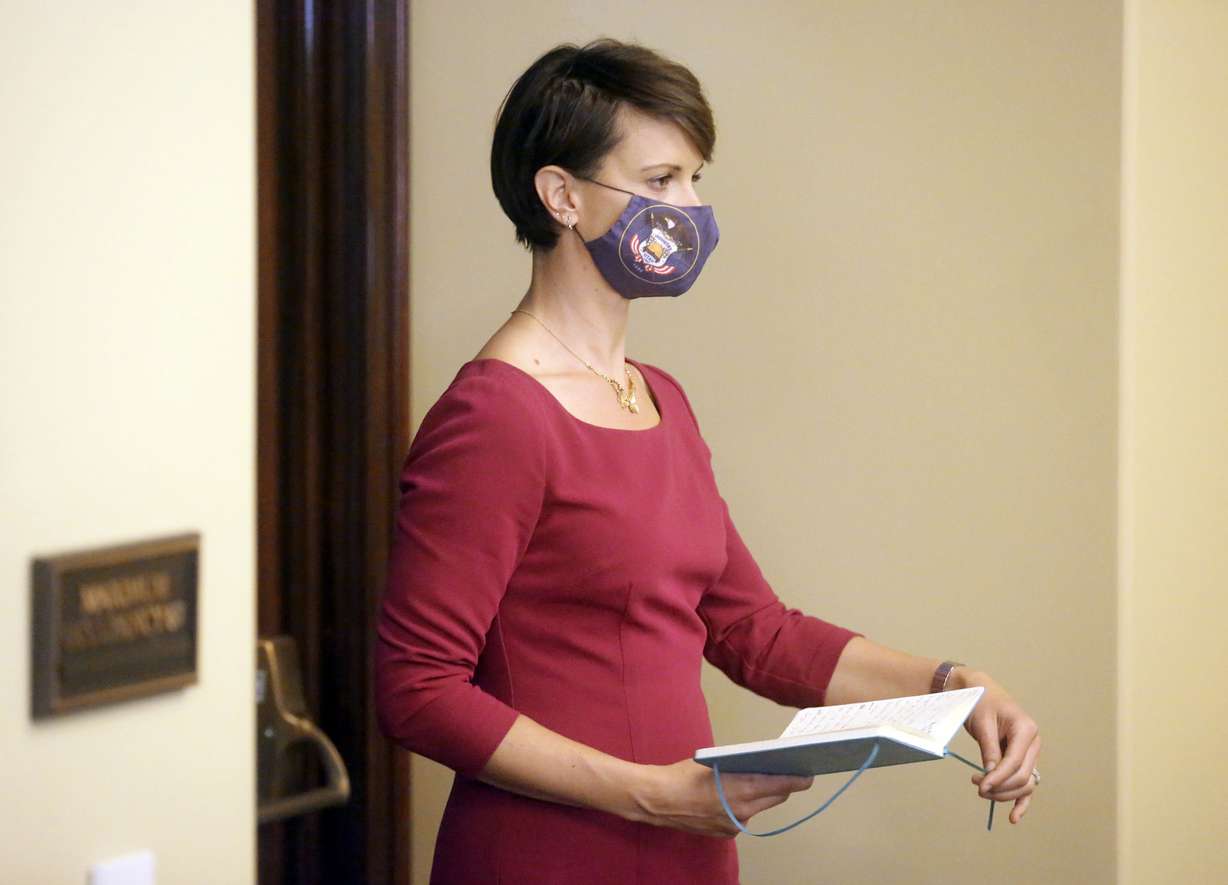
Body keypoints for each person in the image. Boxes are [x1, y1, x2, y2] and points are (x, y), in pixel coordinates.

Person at [375, 37, 1040, 885]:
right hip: (552, 856)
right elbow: (416, 687)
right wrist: (648, 794)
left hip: (687, 845)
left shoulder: (658, 396)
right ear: (562, 196)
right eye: (659, 182)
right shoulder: (496, 414)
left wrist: (955, 687)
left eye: (695, 178)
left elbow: (751, 629)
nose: (689, 207)